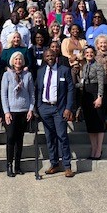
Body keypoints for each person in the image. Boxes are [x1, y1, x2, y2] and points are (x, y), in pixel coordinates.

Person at [36, 49, 75, 178]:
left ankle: (67, 166)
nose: (49, 57)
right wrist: (39, 107)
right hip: (45, 108)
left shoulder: (64, 70)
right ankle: (54, 163)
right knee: (49, 138)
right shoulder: (40, 71)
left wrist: (68, 108)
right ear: (44, 58)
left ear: (56, 56)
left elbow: (70, 89)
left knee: (62, 137)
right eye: (47, 56)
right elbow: (38, 90)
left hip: (59, 108)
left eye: (51, 55)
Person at [1, 52, 35, 177]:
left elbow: (32, 93)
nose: (18, 61)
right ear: (12, 61)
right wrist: (6, 112)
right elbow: (3, 94)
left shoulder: (28, 75)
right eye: (16, 59)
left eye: (20, 59)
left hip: (24, 111)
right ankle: (9, 165)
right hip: (11, 112)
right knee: (10, 138)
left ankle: (18, 165)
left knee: (19, 139)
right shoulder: (7, 75)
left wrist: (31, 109)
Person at [76, 46, 106, 160]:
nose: (89, 54)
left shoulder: (98, 66)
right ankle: (93, 148)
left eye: (91, 52)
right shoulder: (84, 66)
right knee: (90, 123)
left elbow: (101, 83)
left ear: (94, 54)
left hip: (95, 93)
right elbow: (82, 82)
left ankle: (99, 149)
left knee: (98, 122)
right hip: (86, 96)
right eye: (87, 52)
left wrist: (100, 97)